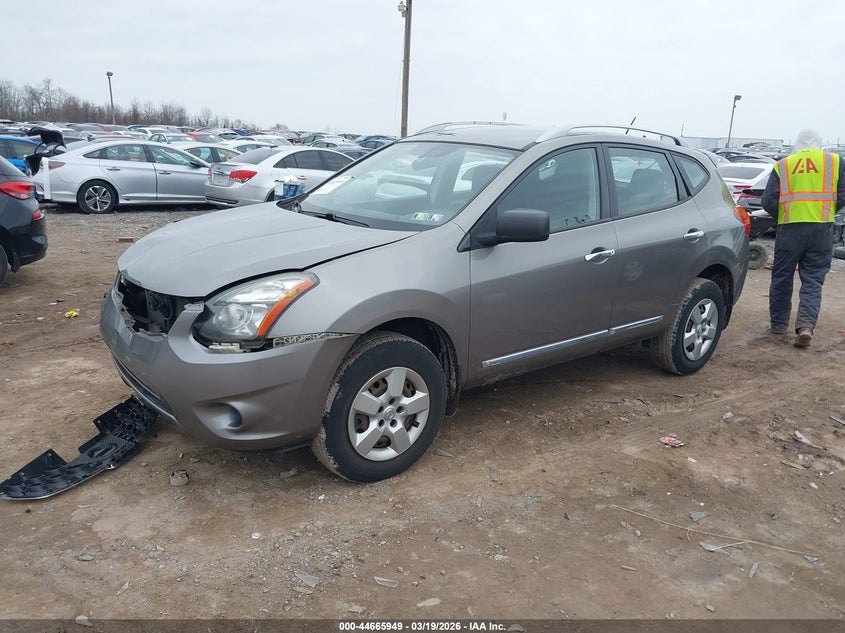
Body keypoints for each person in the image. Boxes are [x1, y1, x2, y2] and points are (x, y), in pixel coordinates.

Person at [762, 129, 845, 347]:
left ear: (797, 144)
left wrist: (785, 215)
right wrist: (825, 210)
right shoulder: (835, 161)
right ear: (819, 143)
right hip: (821, 229)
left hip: (790, 229)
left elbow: (768, 201)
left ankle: (778, 326)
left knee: (781, 278)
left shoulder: (783, 165)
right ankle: (806, 326)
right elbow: (843, 194)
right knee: (813, 280)